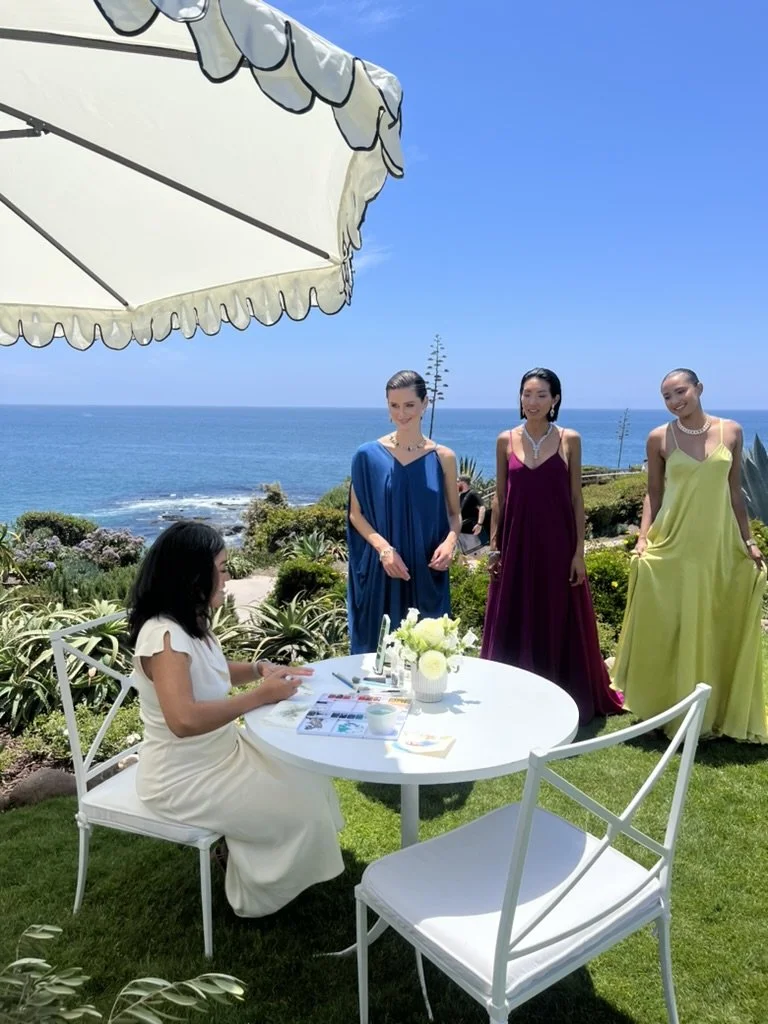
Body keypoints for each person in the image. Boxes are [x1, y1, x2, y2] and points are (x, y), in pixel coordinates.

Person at [128, 521, 345, 918]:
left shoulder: (186, 623)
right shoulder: (162, 637)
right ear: (194, 575)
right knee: (303, 811)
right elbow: (184, 720)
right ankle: (249, 891)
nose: (227, 578)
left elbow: (211, 669)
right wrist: (258, 697)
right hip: (183, 776)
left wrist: (261, 669)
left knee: (310, 778)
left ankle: (248, 852)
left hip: (220, 753)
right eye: (223, 568)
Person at [612, 369, 767, 741]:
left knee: (715, 623)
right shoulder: (658, 438)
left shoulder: (731, 431)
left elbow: (735, 493)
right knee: (669, 625)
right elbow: (653, 492)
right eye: (666, 396)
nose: (674, 400)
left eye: (680, 391)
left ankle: (713, 709)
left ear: (699, 388)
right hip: (674, 542)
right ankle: (664, 706)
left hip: (717, 544)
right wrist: (643, 538)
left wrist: (747, 541)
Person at [481, 368, 623, 724]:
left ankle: (563, 694)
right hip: (515, 544)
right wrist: (494, 546)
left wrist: (579, 553)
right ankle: (513, 695)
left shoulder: (569, 439)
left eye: (541, 395)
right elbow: (500, 498)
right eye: (527, 394)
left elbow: (576, 498)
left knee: (558, 613)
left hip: (558, 545)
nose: (532, 402)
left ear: (555, 399)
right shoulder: (504, 440)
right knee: (515, 611)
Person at [347, 370, 461, 653]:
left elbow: (454, 515)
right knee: (378, 663)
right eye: (394, 405)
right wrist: (384, 549)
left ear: (425, 404)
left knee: (428, 660)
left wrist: (450, 543)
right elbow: (355, 514)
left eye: (409, 405)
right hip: (382, 573)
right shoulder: (366, 455)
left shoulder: (443, 457)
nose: (402, 413)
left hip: (427, 573)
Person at [457, 474, 486, 554]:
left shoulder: (473, 494)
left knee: (474, 556)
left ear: (463, 482)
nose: (456, 484)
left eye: (457, 481)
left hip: (471, 532)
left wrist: (479, 524)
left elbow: (482, 508)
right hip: (461, 532)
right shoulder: (461, 496)